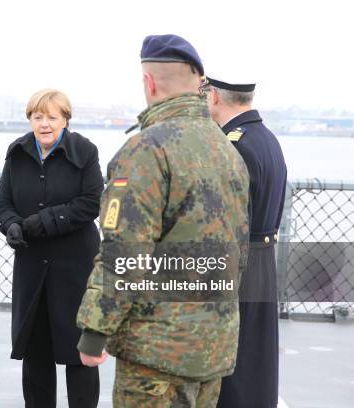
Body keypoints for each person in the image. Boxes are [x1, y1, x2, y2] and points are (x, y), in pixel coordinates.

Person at [76, 34, 250, 407]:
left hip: (156, 355)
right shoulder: (228, 150)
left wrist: (95, 332)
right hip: (213, 349)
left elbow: (125, 255)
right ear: (200, 85)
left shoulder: (146, 150)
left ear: (149, 82)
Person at [0, 89, 104, 408]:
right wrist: (11, 224)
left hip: (75, 266)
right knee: (36, 349)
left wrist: (46, 220)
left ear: (65, 120)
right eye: (37, 117)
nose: (44, 124)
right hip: (32, 266)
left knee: (78, 351)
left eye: (52, 117)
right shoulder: (17, 152)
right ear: (30, 119)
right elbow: (3, 204)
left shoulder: (84, 151)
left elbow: (91, 203)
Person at [205, 76, 287, 408]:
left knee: (231, 366)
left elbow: (225, 223)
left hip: (237, 263)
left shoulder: (232, 145)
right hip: (264, 258)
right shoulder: (266, 139)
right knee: (256, 360)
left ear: (212, 96)